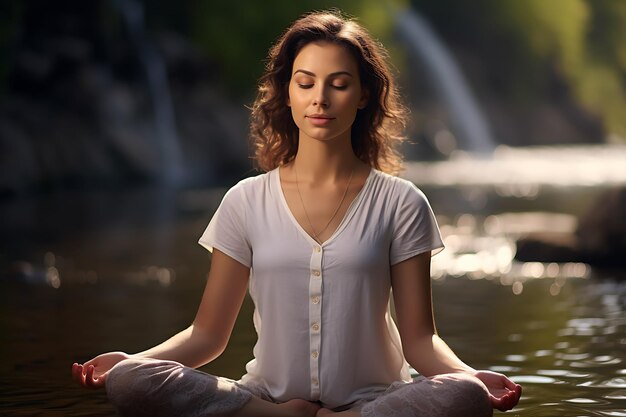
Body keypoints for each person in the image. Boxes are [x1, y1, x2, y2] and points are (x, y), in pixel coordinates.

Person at [72, 10, 522, 417]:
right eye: (305, 83)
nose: (320, 99)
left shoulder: (401, 203)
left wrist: (473, 376)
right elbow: (207, 335)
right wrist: (137, 362)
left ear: (364, 94)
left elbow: (420, 342)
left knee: (463, 395)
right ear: (287, 92)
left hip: (378, 403)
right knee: (130, 382)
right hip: (262, 398)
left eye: (338, 84)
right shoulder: (245, 201)